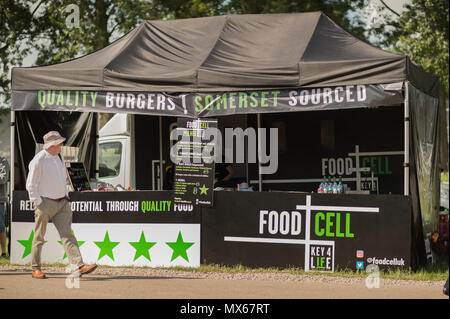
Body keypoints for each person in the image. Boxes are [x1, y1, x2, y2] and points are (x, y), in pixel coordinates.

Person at [26, 131, 97, 279]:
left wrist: (65, 196)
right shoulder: (38, 160)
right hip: (45, 203)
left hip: (62, 202)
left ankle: (78, 265)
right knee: (39, 237)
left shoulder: (59, 155)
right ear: (51, 145)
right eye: (59, 143)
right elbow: (30, 185)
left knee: (68, 235)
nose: (62, 145)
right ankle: (35, 268)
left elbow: (62, 178)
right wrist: (39, 203)